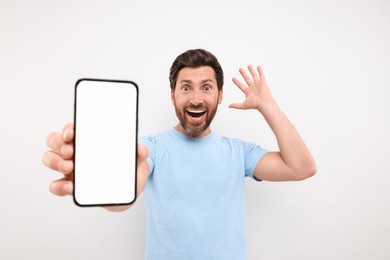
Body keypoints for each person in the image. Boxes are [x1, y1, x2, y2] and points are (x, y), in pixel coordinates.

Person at [43, 49, 316, 259]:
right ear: (173, 95)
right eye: (186, 87)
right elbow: (122, 200)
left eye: (206, 87)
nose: (196, 98)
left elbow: (301, 168)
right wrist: (100, 181)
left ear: (220, 95)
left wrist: (267, 105)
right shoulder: (151, 148)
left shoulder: (239, 152)